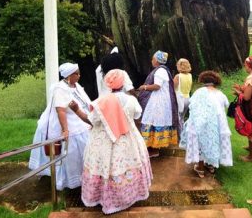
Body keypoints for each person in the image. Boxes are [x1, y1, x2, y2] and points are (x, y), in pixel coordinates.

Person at [69, 69, 152, 214]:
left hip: (103, 142)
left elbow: (91, 120)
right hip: (129, 139)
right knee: (128, 165)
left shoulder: (101, 102)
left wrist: (76, 110)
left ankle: (106, 199)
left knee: (106, 167)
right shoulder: (131, 99)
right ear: (123, 82)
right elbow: (137, 114)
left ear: (107, 83)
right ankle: (129, 196)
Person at [29, 63, 92, 190]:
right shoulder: (60, 88)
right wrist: (65, 129)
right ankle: (64, 180)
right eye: (76, 74)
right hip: (65, 121)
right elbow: (60, 110)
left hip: (79, 119)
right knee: (68, 150)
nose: (79, 76)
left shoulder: (76, 86)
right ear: (69, 75)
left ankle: (83, 177)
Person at [179, 70, 233, 178]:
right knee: (214, 141)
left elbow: (192, 104)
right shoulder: (220, 94)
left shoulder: (199, 92)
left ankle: (200, 168)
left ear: (203, 81)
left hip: (201, 122)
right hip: (218, 123)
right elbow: (226, 104)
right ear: (216, 82)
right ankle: (211, 165)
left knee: (201, 143)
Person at [138, 50, 179, 158]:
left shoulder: (160, 71)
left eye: (153, 58)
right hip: (159, 100)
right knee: (152, 121)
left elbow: (157, 86)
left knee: (151, 120)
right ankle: (153, 148)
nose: (152, 60)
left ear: (156, 60)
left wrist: (144, 87)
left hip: (158, 101)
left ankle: (153, 149)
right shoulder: (162, 70)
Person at [173, 58, 193, 131]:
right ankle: (184, 133)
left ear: (180, 66)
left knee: (178, 119)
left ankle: (180, 135)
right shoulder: (190, 75)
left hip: (179, 99)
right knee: (182, 118)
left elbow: (173, 89)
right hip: (188, 98)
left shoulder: (178, 76)